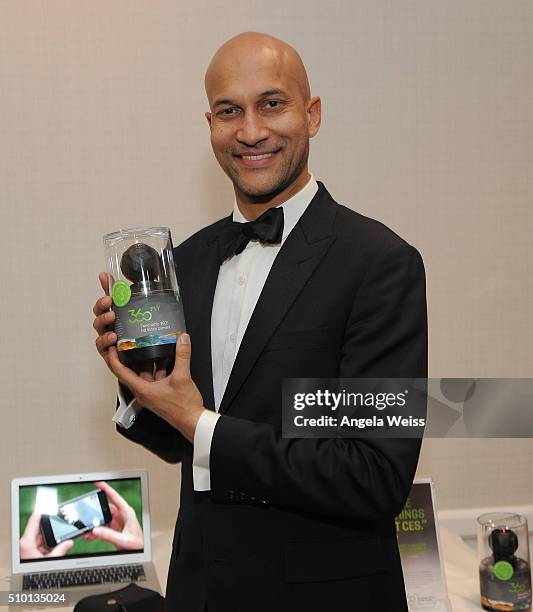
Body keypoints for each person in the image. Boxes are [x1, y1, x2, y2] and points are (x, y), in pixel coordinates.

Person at [93, 32, 427, 612]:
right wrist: (138, 388)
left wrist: (197, 421)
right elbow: (185, 444)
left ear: (312, 114)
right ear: (211, 123)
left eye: (272, 103)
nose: (250, 131)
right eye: (230, 111)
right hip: (199, 592)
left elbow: (372, 476)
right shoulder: (187, 260)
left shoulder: (380, 263)